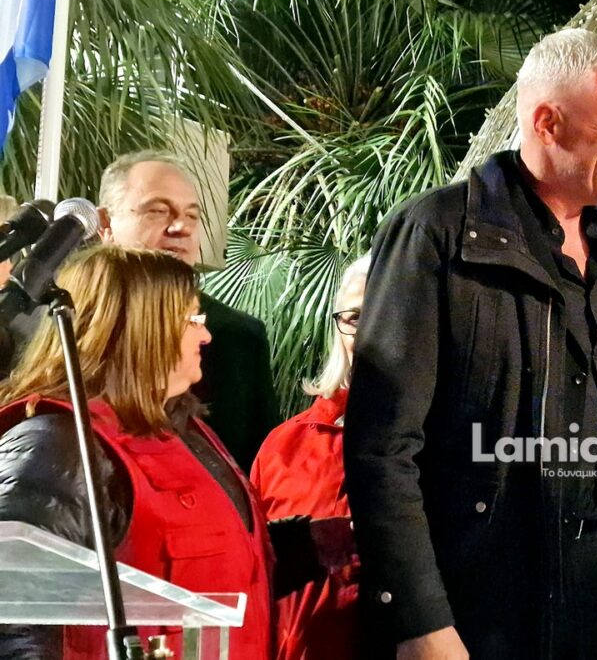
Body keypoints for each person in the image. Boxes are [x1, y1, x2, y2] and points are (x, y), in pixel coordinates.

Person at [343, 28, 597, 660]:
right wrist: (420, 620)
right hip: (480, 612)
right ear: (548, 123)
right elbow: (382, 446)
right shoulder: (436, 234)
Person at [0, 245, 272, 658]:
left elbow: (225, 565)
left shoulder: (185, 430)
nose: (206, 335)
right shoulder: (57, 445)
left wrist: (316, 545)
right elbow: (12, 614)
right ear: (142, 329)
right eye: (193, 320)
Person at [97, 150, 279, 470]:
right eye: (158, 211)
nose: (181, 227)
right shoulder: (53, 324)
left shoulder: (236, 338)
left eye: (192, 216)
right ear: (106, 223)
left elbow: (258, 471)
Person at [251, 255, 369, 660]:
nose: (368, 329)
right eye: (354, 317)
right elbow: (253, 570)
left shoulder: (450, 442)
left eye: (385, 312)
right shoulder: (285, 444)